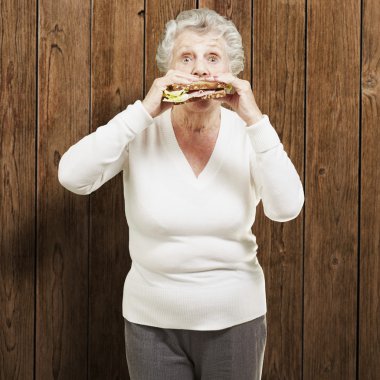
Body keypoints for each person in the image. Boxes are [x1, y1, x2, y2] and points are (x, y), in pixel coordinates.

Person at [58, 7, 304, 380]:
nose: (201, 70)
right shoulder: (140, 129)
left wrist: (256, 120)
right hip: (150, 324)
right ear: (167, 71)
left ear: (231, 72)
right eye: (186, 58)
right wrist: (141, 112)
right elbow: (72, 176)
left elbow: (286, 208)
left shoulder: (250, 136)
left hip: (236, 319)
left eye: (213, 58)